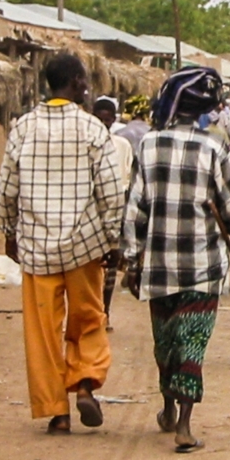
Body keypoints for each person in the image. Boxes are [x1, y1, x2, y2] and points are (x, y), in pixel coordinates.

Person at [122, 66, 230, 453]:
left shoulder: (148, 145)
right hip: (202, 266)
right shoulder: (213, 148)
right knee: (192, 342)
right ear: (202, 111)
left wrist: (132, 259)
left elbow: (135, 210)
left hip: (160, 266)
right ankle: (182, 424)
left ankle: (167, 407)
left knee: (165, 342)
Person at [0, 53, 124, 435]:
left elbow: (7, 187)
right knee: (88, 319)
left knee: (43, 333)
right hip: (84, 246)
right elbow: (111, 192)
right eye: (84, 79)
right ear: (76, 82)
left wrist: (8, 231)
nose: (87, 85)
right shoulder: (92, 130)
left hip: (37, 248)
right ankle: (84, 383)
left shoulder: (22, 128)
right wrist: (113, 236)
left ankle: (58, 411)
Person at [93, 96, 135, 329]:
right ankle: (91, 312)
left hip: (116, 209)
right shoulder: (85, 143)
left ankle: (105, 311)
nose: (104, 123)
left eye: (108, 120)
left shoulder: (122, 146)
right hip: (91, 211)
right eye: (100, 119)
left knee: (111, 262)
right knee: (90, 265)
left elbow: (127, 180)